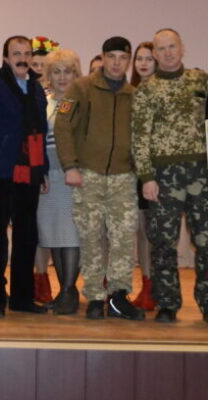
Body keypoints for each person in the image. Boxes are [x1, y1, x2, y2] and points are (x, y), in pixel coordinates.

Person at [54, 36, 143, 320]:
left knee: (123, 238)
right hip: (88, 175)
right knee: (91, 237)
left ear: (128, 61)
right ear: (102, 58)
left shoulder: (133, 94)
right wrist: (70, 165)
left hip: (123, 177)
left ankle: (118, 296)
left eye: (123, 57)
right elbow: (62, 125)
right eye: (111, 56)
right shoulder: (81, 88)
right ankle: (94, 296)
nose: (117, 63)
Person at [131, 28, 208, 323]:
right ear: (155, 54)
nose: (167, 53)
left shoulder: (200, 80)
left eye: (172, 46)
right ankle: (167, 303)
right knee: (163, 243)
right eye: (161, 49)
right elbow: (139, 137)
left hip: (201, 172)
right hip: (163, 176)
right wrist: (146, 176)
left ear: (182, 47)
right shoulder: (146, 89)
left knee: (205, 241)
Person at [0, 35, 49, 317]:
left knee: (27, 236)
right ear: (5, 58)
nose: (22, 58)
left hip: (29, 173)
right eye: (16, 54)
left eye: (26, 53)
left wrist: (42, 170)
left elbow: (40, 130)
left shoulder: (36, 88)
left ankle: (22, 298)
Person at [36, 49, 82, 314]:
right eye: (57, 72)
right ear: (48, 75)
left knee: (72, 235)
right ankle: (64, 290)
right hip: (49, 178)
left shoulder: (83, 102)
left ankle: (68, 290)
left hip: (73, 177)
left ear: (76, 74)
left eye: (68, 71)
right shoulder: (43, 102)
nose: (62, 77)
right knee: (54, 235)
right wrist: (40, 171)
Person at [29, 36, 59, 304]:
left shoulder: (61, 96)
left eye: (43, 65)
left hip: (58, 168)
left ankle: (63, 281)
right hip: (33, 166)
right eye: (34, 64)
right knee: (36, 227)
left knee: (55, 228)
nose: (38, 69)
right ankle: (40, 278)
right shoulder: (26, 93)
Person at [129, 41, 157, 311]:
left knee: (159, 234)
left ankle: (160, 287)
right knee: (142, 233)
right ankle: (147, 286)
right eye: (139, 59)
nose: (144, 63)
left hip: (163, 172)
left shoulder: (165, 91)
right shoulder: (130, 93)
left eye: (149, 58)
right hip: (135, 172)